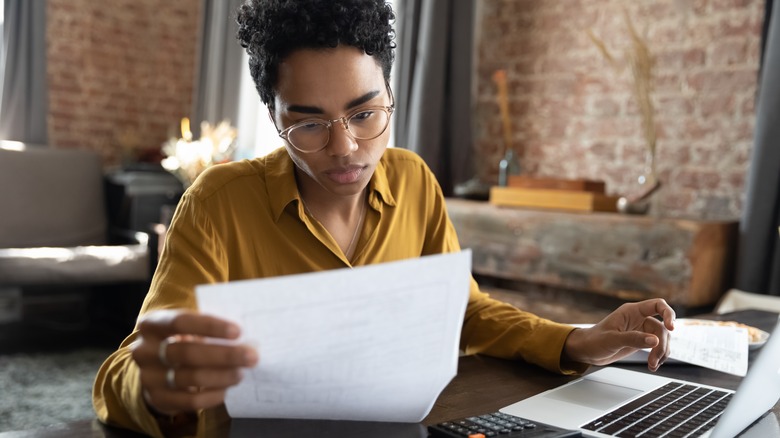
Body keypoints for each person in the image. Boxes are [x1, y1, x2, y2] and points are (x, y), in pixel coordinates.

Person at [92, 0, 675, 436]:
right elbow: (127, 367)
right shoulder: (220, 203)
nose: (345, 147)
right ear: (274, 120)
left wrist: (577, 342)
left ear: (390, 95)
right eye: (309, 123)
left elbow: (465, 312)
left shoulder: (415, 180)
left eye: (365, 112)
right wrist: (157, 385)